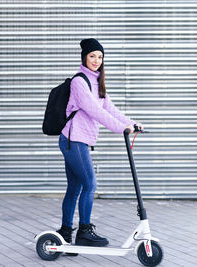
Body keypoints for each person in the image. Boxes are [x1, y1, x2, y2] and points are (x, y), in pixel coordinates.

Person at [57, 38, 143, 248]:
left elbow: (110, 109)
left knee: (74, 188)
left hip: (79, 141)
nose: (96, 60)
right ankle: (84, 231)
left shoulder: (97, 82)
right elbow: (94, 111)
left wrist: (132, 123)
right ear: (84, 57)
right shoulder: (80, 81)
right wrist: (120, 128)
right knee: (90, 184)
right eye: (92, 56)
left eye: (100, 56)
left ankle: (66, 233)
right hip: (73, 140)